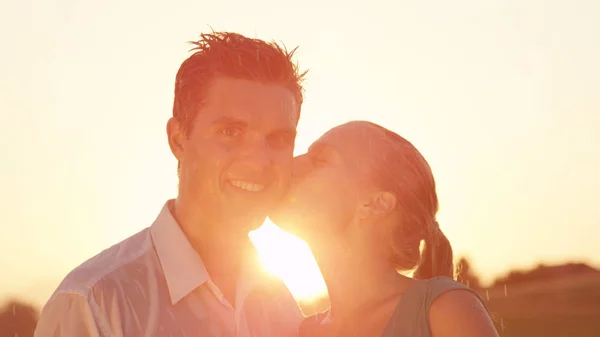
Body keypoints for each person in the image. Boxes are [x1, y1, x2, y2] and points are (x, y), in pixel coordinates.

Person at [35, 31, 308, 337]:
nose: (259, 162)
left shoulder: (284, 309)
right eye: (231, 132)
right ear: (178, 139)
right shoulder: (94, 303)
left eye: (279, 139)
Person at [269, 121, 499, 337]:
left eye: (320, 160)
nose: (290, 163)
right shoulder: (303, 331)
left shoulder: (446, 310)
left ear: (375, 204)